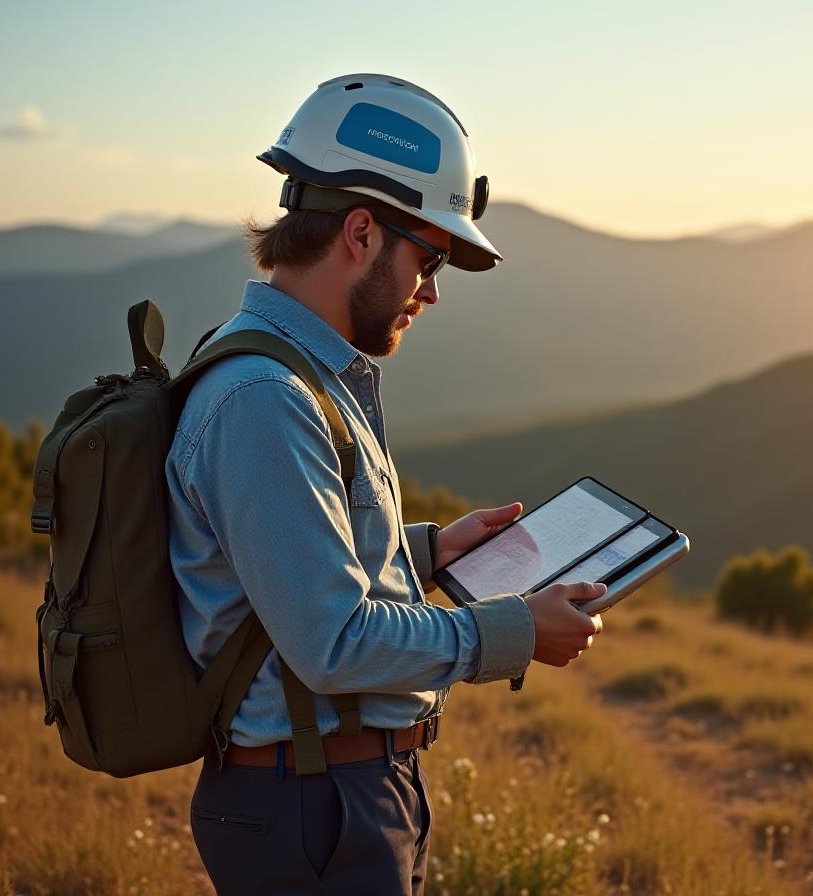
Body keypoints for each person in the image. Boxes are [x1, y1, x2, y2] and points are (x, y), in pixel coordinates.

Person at [166, 73, 605, 895]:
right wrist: (510, 632)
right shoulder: (268, 398)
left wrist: (431, 552)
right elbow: (331, 641)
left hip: (333, 794)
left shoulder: (299, 377)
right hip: (313, 804)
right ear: (361, 233)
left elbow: (283, 566)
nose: (432, 292)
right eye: (429, 259)